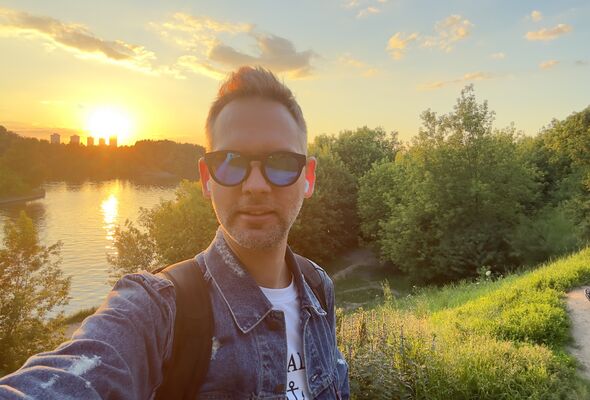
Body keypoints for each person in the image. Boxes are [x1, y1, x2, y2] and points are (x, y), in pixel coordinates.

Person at [0, 66, 350, 399]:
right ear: (206, 179)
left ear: (308, 178)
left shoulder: (318, 287)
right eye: (231, 162)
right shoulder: (159, 310)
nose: (255, 185)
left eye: (281, 163)